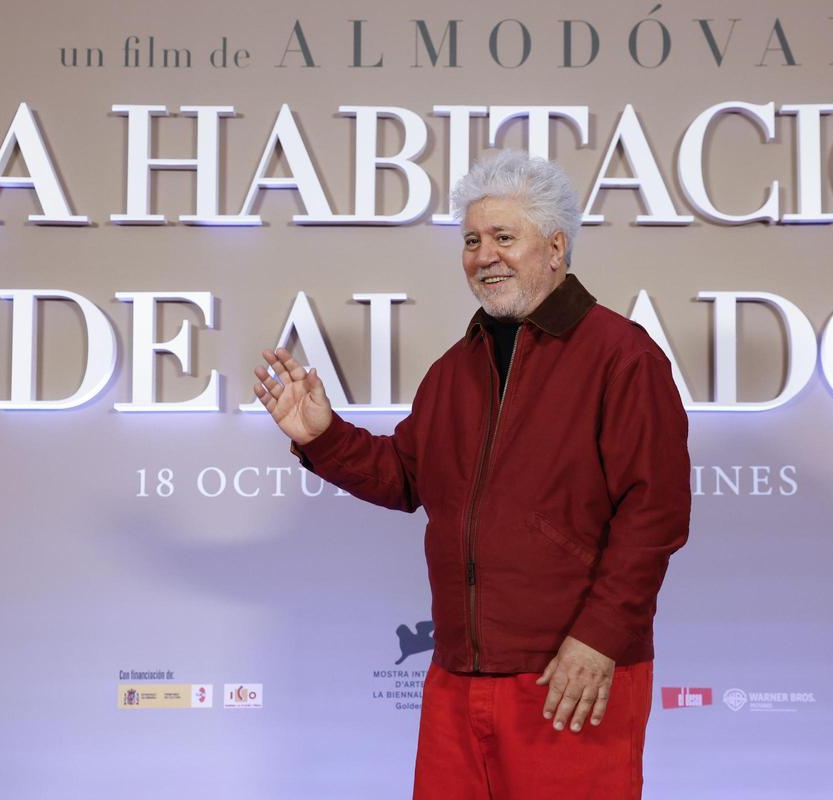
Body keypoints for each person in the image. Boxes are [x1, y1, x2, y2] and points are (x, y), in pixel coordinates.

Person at [252, 150, 691, 799]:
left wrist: (599, 640)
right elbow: (405, 475)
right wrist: (324, 437)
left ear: (555, 247)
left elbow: (654, 513)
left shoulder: (622, 357)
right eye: (471, 241)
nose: (484, 255)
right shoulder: (454, 370)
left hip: (570, 677)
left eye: (504, 238)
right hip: (457, 679)